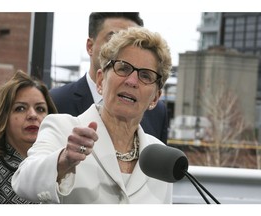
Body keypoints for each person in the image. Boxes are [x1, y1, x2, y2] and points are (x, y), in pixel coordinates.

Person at [12, 26, 173, 204]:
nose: (132, 81)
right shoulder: (62, 128)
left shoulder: (161, 157)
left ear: (155, 97)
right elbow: (23, 181)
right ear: (100, 81)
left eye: (145, 75)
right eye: (123, 68)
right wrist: (64, 160)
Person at [50, 12, 168, 143]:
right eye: (114, 38)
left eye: (145, 75)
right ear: (90, 46)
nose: (123, 45)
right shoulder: (55, 101)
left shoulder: (158, 112)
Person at [0, 70, 58, 204]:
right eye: (20, 108)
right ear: (3, 118)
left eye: (40, 109)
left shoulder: (60, 163)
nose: (32, 115)